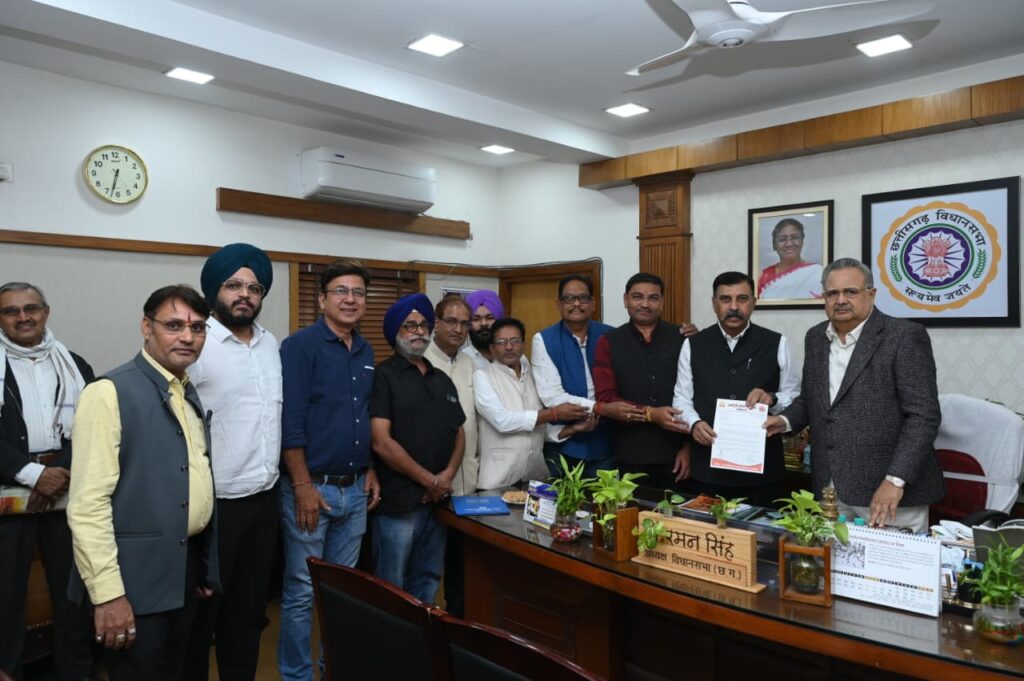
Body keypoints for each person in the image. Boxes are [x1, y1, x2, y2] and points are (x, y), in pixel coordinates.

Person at [68, 285, 219, 681]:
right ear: (146, 328)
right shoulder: (108, 392)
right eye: (174, 325)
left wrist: (203, 568)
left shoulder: (184, 389)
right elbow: (87, 505)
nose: (188, 337)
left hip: (183, 572)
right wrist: (108, 596)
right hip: (133, 582)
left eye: (197, 327)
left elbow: (192, 479)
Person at [766, 258, 944, 532]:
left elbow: (923, 417)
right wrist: (784, 421)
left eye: (850, 291)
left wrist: (895, 480)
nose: (840, 300)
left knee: (890, 561)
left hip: (888, 493)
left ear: (871, 294)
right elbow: (812, 400)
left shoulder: (904, 336)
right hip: (830, 490)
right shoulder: (816, 337)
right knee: (832, 559)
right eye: (832, 293)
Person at [277, 259, 381, 681]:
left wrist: (370, 467)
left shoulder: (366, 350)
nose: (350, 299)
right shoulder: (299, 347)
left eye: (358, 293)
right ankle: (296, 676)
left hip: (355, 490)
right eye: (341, 291)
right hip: (311, 490)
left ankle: (332, 670)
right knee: (303, 591)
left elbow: (363, 415)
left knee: (342, 593)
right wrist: (302, 484)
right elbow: (290, 421)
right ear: (321, 299)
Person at [183, 244, 280, 681]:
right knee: (200, 621)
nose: (244, 294)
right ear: (214, 290)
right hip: (213, 507)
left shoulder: (270, 343)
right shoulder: (196, 342)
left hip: (263, 501)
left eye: (254, 288)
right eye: (233, 285)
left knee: (247, 616)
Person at [0, 282, 95, 681]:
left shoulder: (75, 364)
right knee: (5, 598)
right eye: (11, 311)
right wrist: (34, 476)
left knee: (73, 595)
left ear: (46, 312)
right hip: (8, 499)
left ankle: (77, 673)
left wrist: (59, 475)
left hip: (66, 493)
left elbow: (94, 426)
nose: (23, 317)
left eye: (31, 308)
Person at [672, 272, 800, 507]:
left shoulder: (777, 343)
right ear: (714, 304)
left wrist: (772, 398)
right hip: (708, 469)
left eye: (742, 299)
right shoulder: (693, 345)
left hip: (763, 471)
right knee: (709, 530)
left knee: (762, 530)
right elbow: (681, 399)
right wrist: (694, 424)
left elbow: (794, 397)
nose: (733, 307)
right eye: (725, 299)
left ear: (754, 302)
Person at [370, 293, 465, 603]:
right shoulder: (383, 376)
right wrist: (429, 480)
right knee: (391, 587)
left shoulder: (441, 379)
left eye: (424, 325)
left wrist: (445, 477)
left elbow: (459, 432)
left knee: (428, 579)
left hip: (438, 502)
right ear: (395, 332)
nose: (419, 332)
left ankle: (421, 636)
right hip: (399, 504)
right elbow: (381, 442)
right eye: (410, 325)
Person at [592, 273, 690, 490]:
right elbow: (606, 398)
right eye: (637, 297)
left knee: (678, 511)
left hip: (676, 454)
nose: (645, 304)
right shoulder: (609, 342)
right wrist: (650, 414)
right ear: (625, 299)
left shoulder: (682, 338)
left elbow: (698, 395)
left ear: (662, 302)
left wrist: (689, 448)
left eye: (653, 298)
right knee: (632, 511)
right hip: (629, 454)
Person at [475, 317, 592, 489]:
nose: (509, 347)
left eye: (515, 341)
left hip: (534, 478)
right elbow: (502, 421)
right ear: (492, 348)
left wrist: (571, 429)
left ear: (524, 345)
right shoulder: (483, 376)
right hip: (497, 479)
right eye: (501, 342)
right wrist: (553, 413)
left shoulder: (532, 375)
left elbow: (538, 428)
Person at [531, 275, 621, 478]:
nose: (577, 304)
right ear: (559, 304)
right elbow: (552, 396)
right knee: (559, 498)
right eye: (569, 298)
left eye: (583, 298)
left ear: (593, 303)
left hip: (605, 442)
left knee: (603, 498)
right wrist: (600, 408)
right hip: (562, 445)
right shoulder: (543, 339)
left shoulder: (611, 335)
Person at [421, 293, 477, 617]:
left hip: (469, 482)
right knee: (427, 563)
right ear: (436, 323)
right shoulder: (421, 362)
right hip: (433, 482)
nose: (458, 329)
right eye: (451, 321)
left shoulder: (470, 363)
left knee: (461, 560)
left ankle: (457, 619)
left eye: (464, 323)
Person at [756, 218, 823, 300]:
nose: (789, 244)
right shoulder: (764, 276)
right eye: (782, 239)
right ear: (774, 245)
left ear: (802, 241)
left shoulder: (817, 272)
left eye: (795, 238)